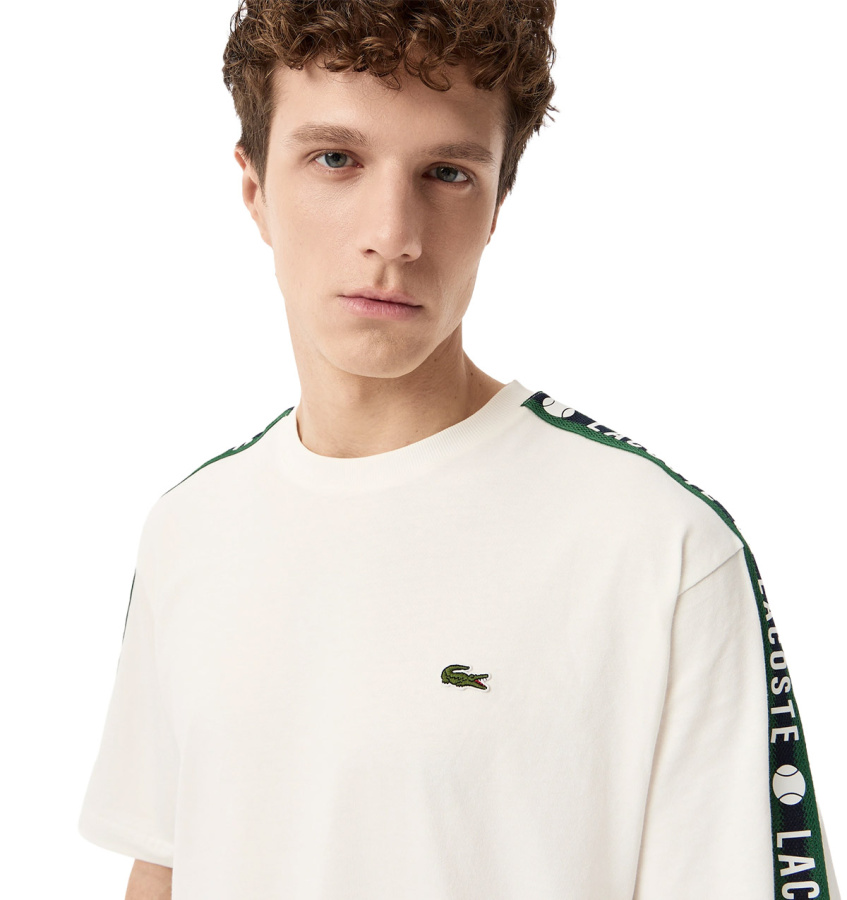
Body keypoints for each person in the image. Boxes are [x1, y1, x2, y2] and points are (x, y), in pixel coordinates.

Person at [77, 2, 840, 898]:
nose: (393, 235)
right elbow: (166, 868)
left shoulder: (657, 547)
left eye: (446, 173)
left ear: (495, 207)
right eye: (336, 159)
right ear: (255, 190)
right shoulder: (191, 528)